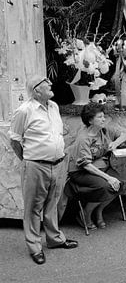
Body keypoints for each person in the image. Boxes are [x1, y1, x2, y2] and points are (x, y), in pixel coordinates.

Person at [8, 75, 78, 265]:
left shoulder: (54, 106)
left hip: (58, 163)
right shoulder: (24, 111)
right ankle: (35, 247)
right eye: (45, 83)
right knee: (33, 208)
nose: (50, 84)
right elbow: (14, 140)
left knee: (52, 204)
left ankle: (55, 240)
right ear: (36, 90)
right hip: (36, 165)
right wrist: (29, 160)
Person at [68, 102, 126, 230]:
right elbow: (86, 165)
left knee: (120, 183)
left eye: (103, 116)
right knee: (106, 186)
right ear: (90, 120)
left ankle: (99, 210)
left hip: (100, 167)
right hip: (81, 171)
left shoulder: (104, 130)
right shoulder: (83, 138)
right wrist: (108, 177)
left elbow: (125, 135)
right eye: (100, 117)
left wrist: (116, 143)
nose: (103, 119)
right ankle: (85, 213)